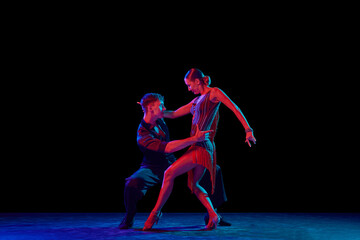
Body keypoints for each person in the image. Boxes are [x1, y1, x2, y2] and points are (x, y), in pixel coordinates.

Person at [143, 68, 256, 231]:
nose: (189, 89)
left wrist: (248, 130)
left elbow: (234, 108)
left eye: (189, 85)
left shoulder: (214, 93)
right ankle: (213, 214)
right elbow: (173, 114)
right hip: (197, 145)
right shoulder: (196, 101)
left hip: (203, 146)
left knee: (169, 173)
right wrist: (150, 110)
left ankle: (154, 214)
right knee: (194, 185)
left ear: (197, 81)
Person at [119, 93, 229, 229]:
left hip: (170, 161)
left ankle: (212, 214)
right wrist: (194, 139)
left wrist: (201, 99)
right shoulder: (142, 135)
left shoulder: (159, 117)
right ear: (150, 108)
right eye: (161, 105)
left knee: (213, 168)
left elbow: (176, 113)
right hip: (153, 167)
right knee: (132, 183)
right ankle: (129, 216)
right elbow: (169, 147)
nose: (164, 108)